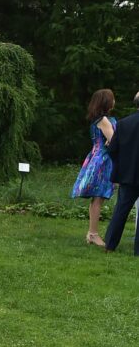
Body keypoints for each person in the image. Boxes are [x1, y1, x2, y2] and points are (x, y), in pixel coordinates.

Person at [71, 89, 116, 246]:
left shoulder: (99, 119)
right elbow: (114, 140)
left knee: (98, 197)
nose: (114, 101)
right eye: (112, 99)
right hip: (102, 160)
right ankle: (93, 234)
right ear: (106, 102)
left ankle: (92, 233)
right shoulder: (103, 120)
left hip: (97, 157)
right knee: (98, 197)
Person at [104, 91, 139, 255]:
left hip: (128, 175)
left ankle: (110, 245)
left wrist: (122, 166)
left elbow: (112, 149)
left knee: (121, 210)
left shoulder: (124, 123)